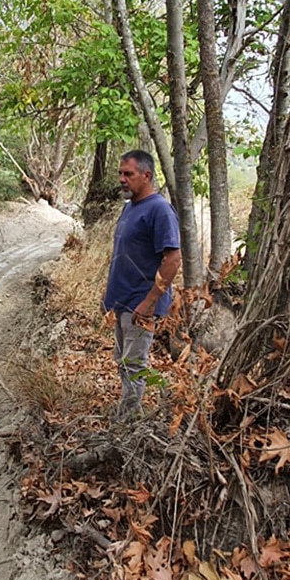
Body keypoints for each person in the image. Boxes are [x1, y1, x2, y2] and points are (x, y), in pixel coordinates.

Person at [101, 150, 181, 421]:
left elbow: (173, 259)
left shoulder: (159, 210)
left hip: (140, 305)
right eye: (120, 174)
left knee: (134, 365)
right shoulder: (130, 207)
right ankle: (127, 414)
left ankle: (129, 424)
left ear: (146, 176)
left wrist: (149, 303)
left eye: (129, 174)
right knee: (123, 362)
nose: (122, 179)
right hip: (123, 302)